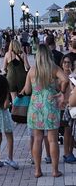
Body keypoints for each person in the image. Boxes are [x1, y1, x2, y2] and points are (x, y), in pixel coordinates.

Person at [23, 44, 68, 178]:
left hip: (35, 107)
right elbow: (65, 79)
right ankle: (55, 171)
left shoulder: (32, 70)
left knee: (37, 139)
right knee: (53, 140)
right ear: (49, 55)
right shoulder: (53, 68)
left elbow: (27, 90)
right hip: (50, 104)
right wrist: (62, 92)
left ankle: (37, 170)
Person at [0, 74, 19, 169]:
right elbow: (6, 106)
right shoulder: (5, 93)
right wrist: (7, 96)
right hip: (4, 117)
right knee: (9, 137)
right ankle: (9, 158)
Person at [60, 55, 76, 163]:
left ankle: (70, 152)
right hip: (63, 108)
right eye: (65, 62)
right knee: (67, 131)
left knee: (71, 132)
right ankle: (67, 153)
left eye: (69, 62)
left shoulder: (73, 77)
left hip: (71, 107)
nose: (66, 64)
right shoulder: (59, 77)